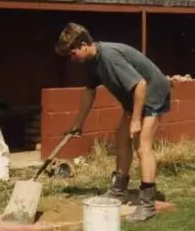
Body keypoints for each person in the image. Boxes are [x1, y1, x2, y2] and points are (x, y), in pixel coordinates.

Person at [55, 22, 171, 223]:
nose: (71, 59)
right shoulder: (92, 61)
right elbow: (89, 93)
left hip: (152, 94)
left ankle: (147, 205)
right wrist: (78, 123)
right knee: (121, 139)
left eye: (72, 54)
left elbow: (141, 84)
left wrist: (136, 119)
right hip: (134, 97)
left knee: (143, 147)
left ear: (83, 45)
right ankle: (119, 191)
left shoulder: (109, 57)